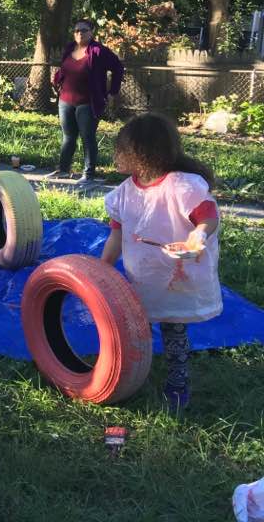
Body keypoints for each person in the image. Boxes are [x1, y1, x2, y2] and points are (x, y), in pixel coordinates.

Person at [101, 112, 220, 410]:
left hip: (175, 278)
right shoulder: (124, 193)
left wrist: (197, 237)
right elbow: (116, 235)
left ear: (141, 154)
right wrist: (102, 268)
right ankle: (131, 370)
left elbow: (207, 216)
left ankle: (178, 379)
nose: (115, 155)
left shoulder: (182, 186)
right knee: (134, 322)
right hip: (142, 276)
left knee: (172, 327)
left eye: (121, 149)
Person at [47, 18, 124, 185]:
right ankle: (63, 170)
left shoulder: (98, 51)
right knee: (68, 137)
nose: (79, 33)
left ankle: (88, 175)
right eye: (76, 30)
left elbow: (118, 67)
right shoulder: (70, 48)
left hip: (87, 103)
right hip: (65, 101)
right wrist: (57, 80)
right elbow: (65, 68)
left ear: (91, 32)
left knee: (87, 137)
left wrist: (113, 92)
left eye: (83, 30)